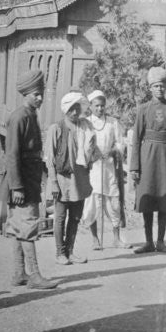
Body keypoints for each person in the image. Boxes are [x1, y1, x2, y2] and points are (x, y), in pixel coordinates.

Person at [1, 69, 57, 289]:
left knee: (18, 227)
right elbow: (12, 154)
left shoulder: (31, 115)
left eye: (41, 93)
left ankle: (18, 273)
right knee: (28, 227)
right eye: (36, 94)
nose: (40, 98)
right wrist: (16, 186)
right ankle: (34, 275)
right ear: (26, 94)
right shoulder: (19, 117)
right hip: (21, 182)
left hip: (29, 180)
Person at [130, 66, 166, 254]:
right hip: (147, 157)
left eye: (162, 86)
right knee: (147, 198)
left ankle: (161, 241)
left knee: (164, 197)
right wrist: (134, 167)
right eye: (156, 86)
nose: (159, 89)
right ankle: (148, 242)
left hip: (165, 157)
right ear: (150, 88)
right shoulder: (143, 109)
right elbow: (136, 139)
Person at [45, 92, 100, 265]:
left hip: (80, 179)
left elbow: (92, 151)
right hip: (62, 180)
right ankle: (60, 253)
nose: (75, 112)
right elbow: (50, 159)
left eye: (78, 108)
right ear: (65, 110)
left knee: (75, 217)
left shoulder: (85, 127)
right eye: (72, 109)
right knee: (60, 217)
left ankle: (70, 251)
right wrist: (53, 183)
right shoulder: (57, 128)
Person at [82, 90, 127, 250]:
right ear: (91, 106)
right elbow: (82, 145)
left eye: (102, 106)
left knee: (113, 203)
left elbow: (120, 142)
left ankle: (116, 238)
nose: (100, 109)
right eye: (97, 106)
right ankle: (95, 240)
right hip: (93, 169)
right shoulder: (85, 123)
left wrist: (113, 151)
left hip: (108, 168)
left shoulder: (112, 122)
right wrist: (91, 152)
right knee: (93, 204)